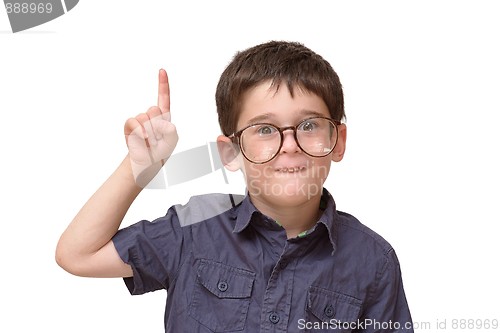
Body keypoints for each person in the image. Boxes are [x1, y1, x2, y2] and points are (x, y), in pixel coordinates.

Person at [56, 41, 413, 332]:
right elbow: (77, 255)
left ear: (337, 141)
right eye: (264, 129)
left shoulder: (373, 260)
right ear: (230, 152)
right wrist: (137, 168)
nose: (288, 145)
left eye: (308, 126)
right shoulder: (195, 227)